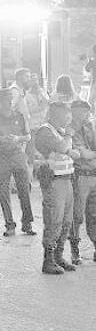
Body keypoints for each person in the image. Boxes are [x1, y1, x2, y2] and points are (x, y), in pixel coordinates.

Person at [33, 102, 80, 274]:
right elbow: (62, 147)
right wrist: (68, 137)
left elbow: (70, 151)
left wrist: (69, 148)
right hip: (54, 181)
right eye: (65, 114)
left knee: (67, 221)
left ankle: (58, 257)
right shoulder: (45, 131)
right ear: (54, 115)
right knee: (54, 220)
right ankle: (48, 260)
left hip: (66, 180)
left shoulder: (59, 132)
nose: (68, 118)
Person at [0, 88, 35, 237]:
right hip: (1, 156)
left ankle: (27, 222)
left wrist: (18, 138)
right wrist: (0, 139)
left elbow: (28, 136)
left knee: (24, 188)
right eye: (5, 99)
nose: (8, 102)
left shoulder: (19, 116)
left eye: (10, 99)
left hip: (17, 155)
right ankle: (9, 224)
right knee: (3, 191)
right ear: (0, 101)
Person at [69, 100, 96, 264]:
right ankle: (74, 249)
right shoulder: (70, 129)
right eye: (83, 112)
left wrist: (90, 155)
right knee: (77, 215)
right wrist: (92, 155)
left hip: (92, 174)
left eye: (87, 112)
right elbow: (82, 153)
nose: (86, 115)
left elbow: (87, 153)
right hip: (80, 176)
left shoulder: (90, 127)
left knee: (94, 214)